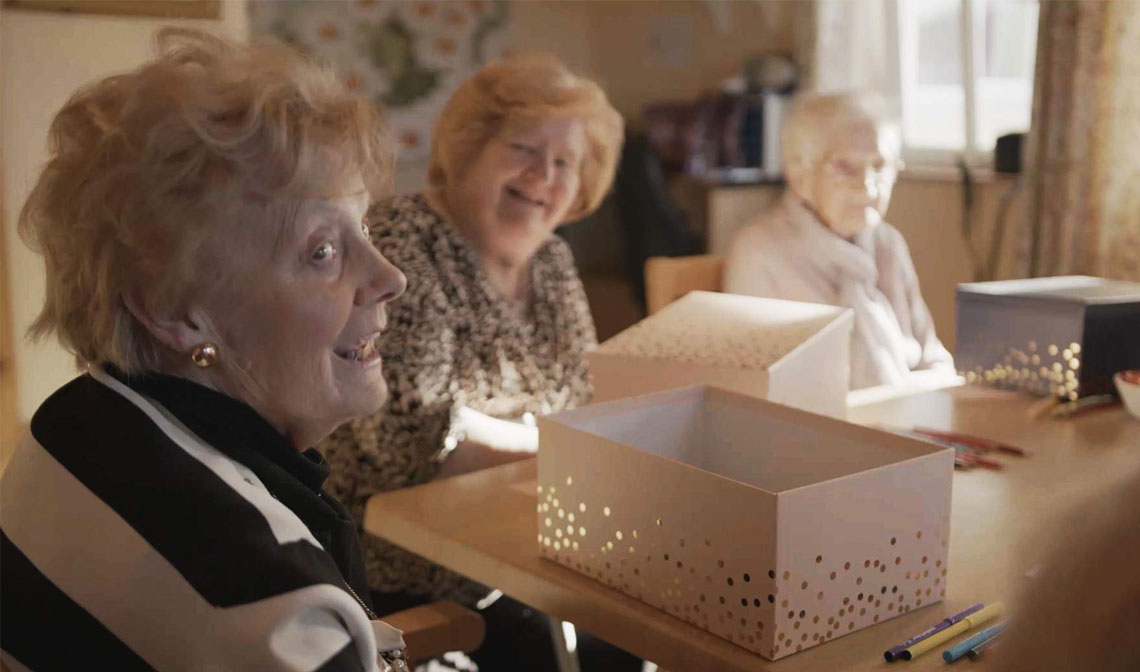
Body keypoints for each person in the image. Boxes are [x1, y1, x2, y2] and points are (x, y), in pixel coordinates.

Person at [0, 28, 411, 671]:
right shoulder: (280, 615)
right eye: (322, 251)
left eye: (363, 225)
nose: (390, 277)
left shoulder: (74, 418)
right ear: (175, 312)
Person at [320, 55, 636, 670]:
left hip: (531, 539)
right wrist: (579, 450)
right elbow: (416, 439)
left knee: (633, 633)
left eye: (564, 163)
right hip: (413, 564)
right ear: (467, 149)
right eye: (523, 148)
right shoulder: (402, 239)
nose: (542, 176)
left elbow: (580, 402)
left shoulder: (552, 262)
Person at [723, 93, 954, 390]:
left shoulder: (888, 244)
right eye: (845, 167)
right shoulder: (761, 252)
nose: (868, 184)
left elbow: (932, 359)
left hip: (903, 419)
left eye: (880, 165)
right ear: (798, 175)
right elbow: (753, 391)